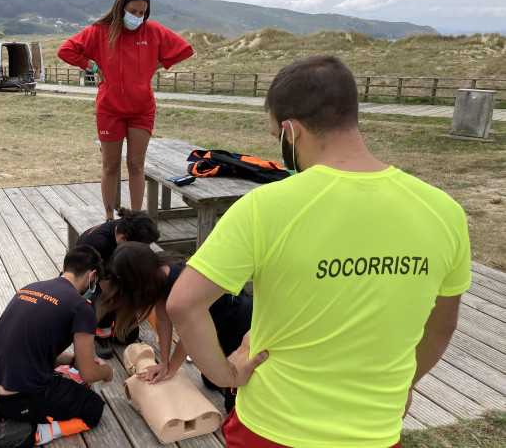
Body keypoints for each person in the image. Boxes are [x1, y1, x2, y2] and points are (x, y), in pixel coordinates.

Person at [166, 55, 471, 448]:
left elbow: (183, 304)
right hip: (375, 432)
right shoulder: (444, 211)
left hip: (271, 428)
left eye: (276, 133)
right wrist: (404, 383)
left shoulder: (263, 208)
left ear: (289, 131)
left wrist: (226, 375)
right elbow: (441, 325)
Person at [57, 0, 194, 221]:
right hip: (110, 109)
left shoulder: (153, 31)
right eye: (133, 11)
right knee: (110, 166)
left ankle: (135, 220)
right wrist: (92, 66)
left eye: (143, 13)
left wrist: (157, 64)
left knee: (136, 165)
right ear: (121, 7)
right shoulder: (100, 31)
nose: (138, 17)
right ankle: (109, 218)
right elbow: (66, 51)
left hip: (142, 109)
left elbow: (185, 49)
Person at [0, 246, 114, 448]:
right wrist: (106, 371)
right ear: (92, 275)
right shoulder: (81, 307)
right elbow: (88, 374)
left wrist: (69, 359)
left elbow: (29, 346)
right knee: (93, 409)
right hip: (20, 397)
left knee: (33, 381)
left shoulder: (31, 287)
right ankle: (32, 432)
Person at [98, 241, 252, 413]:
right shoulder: (157, 276)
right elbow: (163, 319)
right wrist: (164, 362)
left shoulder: (178, 284)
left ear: (138, 277)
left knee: (234, 404)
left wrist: (171, 370)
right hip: (213, 323)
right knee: (211, 380)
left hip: (237, 319)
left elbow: (190, 338)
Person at [76, 207, 160, 358]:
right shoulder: (101, 245)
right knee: (106, 300)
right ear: (123, 239)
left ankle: (110, 325)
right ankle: (100, 335)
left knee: (129, 336)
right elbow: (107, 287)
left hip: (112, 276)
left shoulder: (126, 227)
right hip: (87, 284)